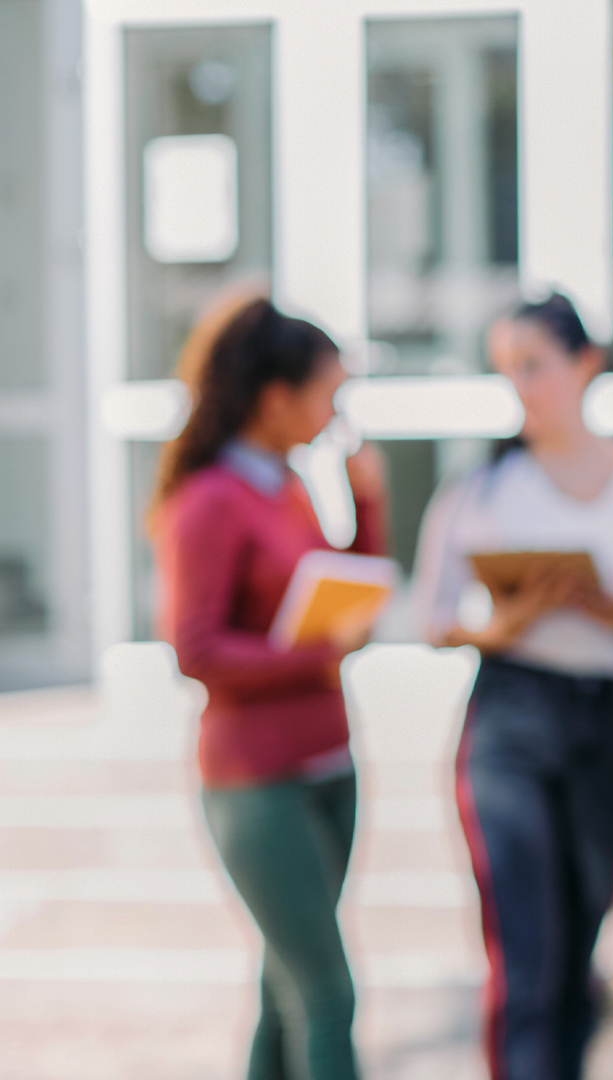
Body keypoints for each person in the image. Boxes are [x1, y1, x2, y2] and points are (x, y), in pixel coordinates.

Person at [413, 293, 613, 1080]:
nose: (519, 387)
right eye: (506, 371)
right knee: (526, 958)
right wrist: (500, 625)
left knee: (580, 958)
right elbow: (433, 615)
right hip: (511, 716)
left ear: (586, 365)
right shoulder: (483, 486)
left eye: (533, 366)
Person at [151, 295, 388, 1080]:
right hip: (258, 783)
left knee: (284, 987)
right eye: (329, 394)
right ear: (277, 397)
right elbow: (196, 650)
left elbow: (346, 596)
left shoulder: (284, 485)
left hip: (328, 765)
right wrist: (318, 654)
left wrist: (370, 504)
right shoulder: (210, 502)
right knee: (326, 995)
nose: (335, 416)